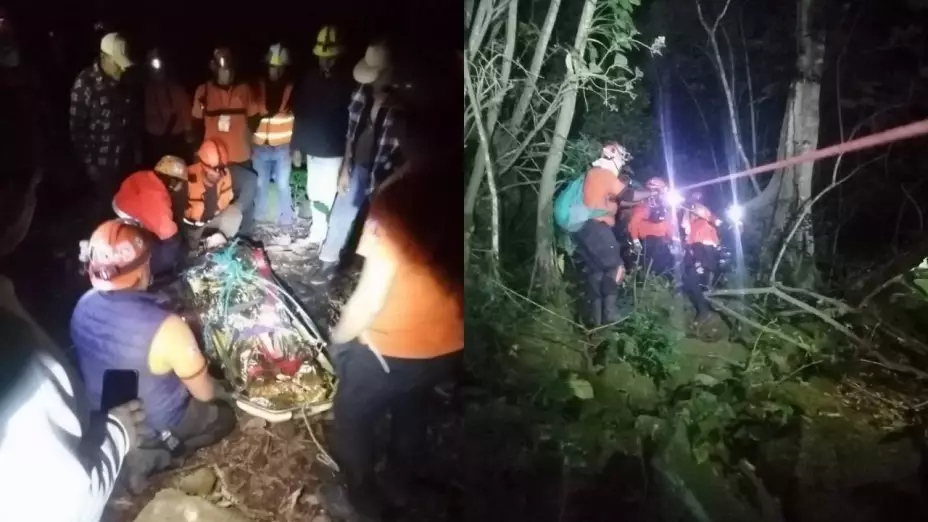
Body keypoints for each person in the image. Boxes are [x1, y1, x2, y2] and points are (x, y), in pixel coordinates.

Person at [317, 48, 464, 521]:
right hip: (449, 343)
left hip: (393, 346)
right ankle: (405, 481)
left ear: (407, 128)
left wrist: (339, 339)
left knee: (351, 410)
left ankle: (361, 498)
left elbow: (369, 298)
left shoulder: (400, 198)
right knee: (412, 408)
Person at [0, 126, 146, 521]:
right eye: (33, 188)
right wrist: (117, 434)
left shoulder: (82, 307)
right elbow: (65, 504)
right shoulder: (18, 360)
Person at [70, 219, 236, 492]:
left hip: (105, 419)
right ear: (143, 268)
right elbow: (205, 393)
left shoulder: (82, 306)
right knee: (224, 415)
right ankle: (161, 453)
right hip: (155, 426)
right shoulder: (168, 328)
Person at [310, 43, 402, 286]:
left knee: (378, 227)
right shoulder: (361, 92)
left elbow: (404, 148)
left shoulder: (401, 102)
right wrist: (345, 166)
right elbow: (351, 133)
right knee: (340, 215)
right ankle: (328, 262)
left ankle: (370, 277)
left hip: (385, 171)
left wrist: (391, 179)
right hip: (358, 166)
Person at [572, 143, 652, 326]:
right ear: (612, 155)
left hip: (585, 229)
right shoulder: (604, 174)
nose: (622, 162)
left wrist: (640, 200)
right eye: (621, 157)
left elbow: (619, 202)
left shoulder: (593, 175)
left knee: (598, 273)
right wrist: (650, 193)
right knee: (616, 267)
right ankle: (610, 314)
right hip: (598, 228)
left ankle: (596, 321)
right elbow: (628, 195)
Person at [291, 25, 354, 246]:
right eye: (322, 57)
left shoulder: (347, 82)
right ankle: (317, 233)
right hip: (312, 148)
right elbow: (301, 112)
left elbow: (351, 121)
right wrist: (296, 145)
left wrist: (348, 158)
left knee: (327, 195)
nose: (325, 62)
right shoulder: (310, 79)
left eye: (330, 58)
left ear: (338, 55)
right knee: (313, 191)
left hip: (333, 150)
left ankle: (326, 237)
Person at [69, 32, 141, 211]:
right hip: (102, 164)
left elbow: (131, 117)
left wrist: (135, 149)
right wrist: (89, 163)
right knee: (106, 208)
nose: (122, 69)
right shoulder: (85, 83)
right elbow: (77, 128)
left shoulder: (125, 81)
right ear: (104, 57)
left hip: (124, 159)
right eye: (117, 64)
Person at [191, 47, 258, 236]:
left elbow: (253, 120)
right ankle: (216, 235)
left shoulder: (245, 90)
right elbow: (196, 124)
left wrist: (252, 145)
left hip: (241, 156)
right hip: (213, 160)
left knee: (246, 199)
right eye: (221, 70)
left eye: (228, 69)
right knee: (214, 200)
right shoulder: (203, 92)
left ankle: (245, 236)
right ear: (214, 69)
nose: (225, 74)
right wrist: (197, 154)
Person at [111, 155, 189, 277]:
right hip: (131, 226)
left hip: (119, 210)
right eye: (180, 183)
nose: (180, 187)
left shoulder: (143, 175)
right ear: (172, 181)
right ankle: (154, 272)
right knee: (172, 244)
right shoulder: (158, 198)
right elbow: (168, 234)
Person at [251, 43, 295, 240]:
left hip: (283, 147)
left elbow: (299, 120)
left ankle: (286, 222)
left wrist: (297, 148)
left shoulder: (292, 90)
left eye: (279, 68)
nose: (275, 71)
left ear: (285, 68)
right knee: (260, 184)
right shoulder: (257, 88)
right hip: (260, 147)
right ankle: (258, 221)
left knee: (283, 184)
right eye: (272, 67)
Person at [184, 138, 243, 250]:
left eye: (222, 169)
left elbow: (227, 201)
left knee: (234, 213)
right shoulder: (187, 176)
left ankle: (218, 246)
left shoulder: (225, 175)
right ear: (203, 167)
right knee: (191, 254)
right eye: (215, 170)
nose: (219, 175)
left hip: (212, 221)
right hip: (191, 228)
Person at [143, 48, 193, 165]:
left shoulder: (176, 90)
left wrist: (189, 144)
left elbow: (186, 120)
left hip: (174, 142)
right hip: (154, 142)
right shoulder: (147, 90)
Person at [627, 177, 676, 279]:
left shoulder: (664, 209)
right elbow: (634, 222)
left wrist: (674, 239)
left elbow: (668, 225)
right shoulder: (643, 206)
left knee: (668, 261)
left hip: (661, 242)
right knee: (651, 262)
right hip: (647, 242)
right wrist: (635, 240)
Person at [681, 202, 721, 324]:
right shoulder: (707, 225)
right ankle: (705, 304)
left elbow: (698, 246)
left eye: (690, 214)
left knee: (692, 282)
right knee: (699, 283)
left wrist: (698, 263)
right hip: (707, 259)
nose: (688, 215)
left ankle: (704, 312)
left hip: (703, 259)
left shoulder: (698, 225)